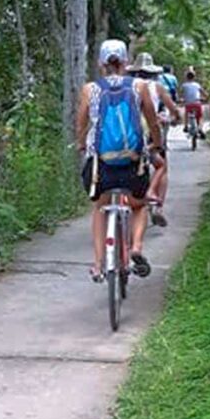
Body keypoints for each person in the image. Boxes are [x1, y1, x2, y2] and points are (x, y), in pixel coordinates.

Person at [76, 39, 162, 281]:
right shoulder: (140, 86)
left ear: (101, 63)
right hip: (133, 163)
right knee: (139, 204)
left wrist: (82, 144)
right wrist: (157, 143)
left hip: (100, 166)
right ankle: (135, 248)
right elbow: (153, 122)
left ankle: (98, 264)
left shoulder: (89, 90)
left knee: (99, 207)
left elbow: (81, 125)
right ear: (126, 62)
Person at [126, 52, 180, 227]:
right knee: (161, 166)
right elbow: (174, 110)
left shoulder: (127, 86)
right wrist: (174, 118)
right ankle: (157, 207)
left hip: (129, 133)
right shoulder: (157, 87)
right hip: (151, 131)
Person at [180, 67, 209, 139]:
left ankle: (186, 126)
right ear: (194, 77)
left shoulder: (184, 85)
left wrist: (181, 100)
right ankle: (200, 129)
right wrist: (206, 98)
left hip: (188, 104)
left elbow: (181, 95)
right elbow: (204, 94)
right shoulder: (197, 85)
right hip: (197, 103)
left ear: (186, 77)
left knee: (186, 113)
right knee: (201, 117)